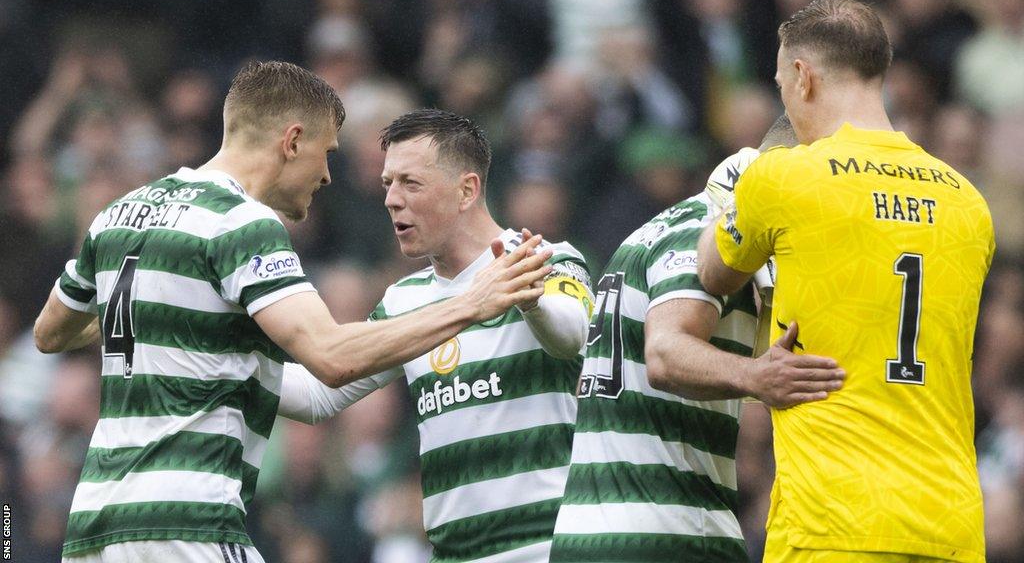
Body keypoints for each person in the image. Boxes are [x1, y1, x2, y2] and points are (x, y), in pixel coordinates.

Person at [32, 62, 551, 563]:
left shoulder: (120, 213)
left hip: (94, 522)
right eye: (326, 153)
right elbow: (331, 357)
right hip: (186, 517)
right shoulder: (241, 222)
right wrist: (470, 304)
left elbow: (50, 332)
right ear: (292, 140)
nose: (328, 175)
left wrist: (171, 315)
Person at [698, 0, 994, 563]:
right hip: (951, 524)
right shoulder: (968, 203)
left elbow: (711, 271)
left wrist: (739, 183)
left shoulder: (785, 176)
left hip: (833, 522)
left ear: (803, 78)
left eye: (783, 81)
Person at [276, 108, 594, 563]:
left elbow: (571, 335)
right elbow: (317, 394)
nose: (391, 199)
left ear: (467, 190)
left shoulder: (544, 259)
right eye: (388, 183)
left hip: (552, 549)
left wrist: (529, 299)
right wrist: (211, 367)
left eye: (410, 182)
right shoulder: (404, 299)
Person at [548, 115, 845, 563]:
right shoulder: (705, 228)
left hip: (593, 529)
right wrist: (755, 376)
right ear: (788, 169)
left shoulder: (668, 223)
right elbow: (666, 353)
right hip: (669, 529)